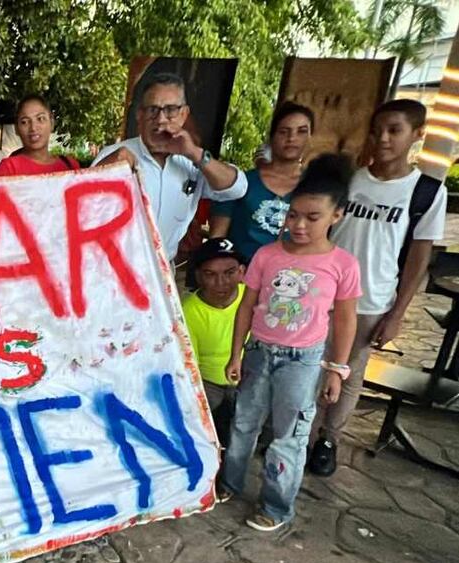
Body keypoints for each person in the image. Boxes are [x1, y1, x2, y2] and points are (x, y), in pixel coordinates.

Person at [219, 155, 361, 531]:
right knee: (243, 423)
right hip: (258, 352)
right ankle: (229, 484)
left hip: (303, 362)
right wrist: (236, 353)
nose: (298, 225)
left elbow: (345, 319)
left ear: (336, 215)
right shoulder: (267, 255)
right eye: (293, 215)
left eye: (312, 217)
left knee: (289, 436)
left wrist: (337, 369)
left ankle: (276, 506)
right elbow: (247, 306)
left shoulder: (343, 264)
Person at [307, 99, 447, 476]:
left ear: (417, 134)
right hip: (324, 292)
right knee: (310, 365)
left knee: (347, 372)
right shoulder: (350, 180)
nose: (383, 138)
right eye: (377, 130)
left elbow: (419, 256)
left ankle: (328, 439)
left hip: (371, 299)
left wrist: (397, 313)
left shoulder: (426, 192)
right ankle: (303, 433)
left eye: (395, 130)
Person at [94, 73, 247, 260]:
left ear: (184, 115)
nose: (160, 119)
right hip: (115, 269)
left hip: (163, 271)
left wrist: (195, 154)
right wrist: (105, 171)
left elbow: (237, 189)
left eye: (171, 110)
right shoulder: (115, 155)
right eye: (152, 110)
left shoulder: (192, 163)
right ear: (139, 115)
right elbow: (81, 210)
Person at [210, 102, 314, 262]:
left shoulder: (315, 188)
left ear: (311, 138)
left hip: (291, 274)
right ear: (271, 137)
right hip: (241, 272)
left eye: (301, 131)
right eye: (284, 131)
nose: (292, 138)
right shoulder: (241, 183)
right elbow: (217, 238)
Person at [181, 238, 247, 452]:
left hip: (248, 379)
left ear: (242, 272)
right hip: (208, 384)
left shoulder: (251, 298)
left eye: (229, 273)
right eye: (210, 274)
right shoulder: (188, 311)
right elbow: (190, 368)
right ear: (198, 276)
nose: (221, 282)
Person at [0, 95, 79, 176]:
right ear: (16, 129)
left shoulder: (70, 166)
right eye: (24, 122)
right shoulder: (9, 169)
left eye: (40, 119)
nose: (33, 128)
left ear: (52, 123)